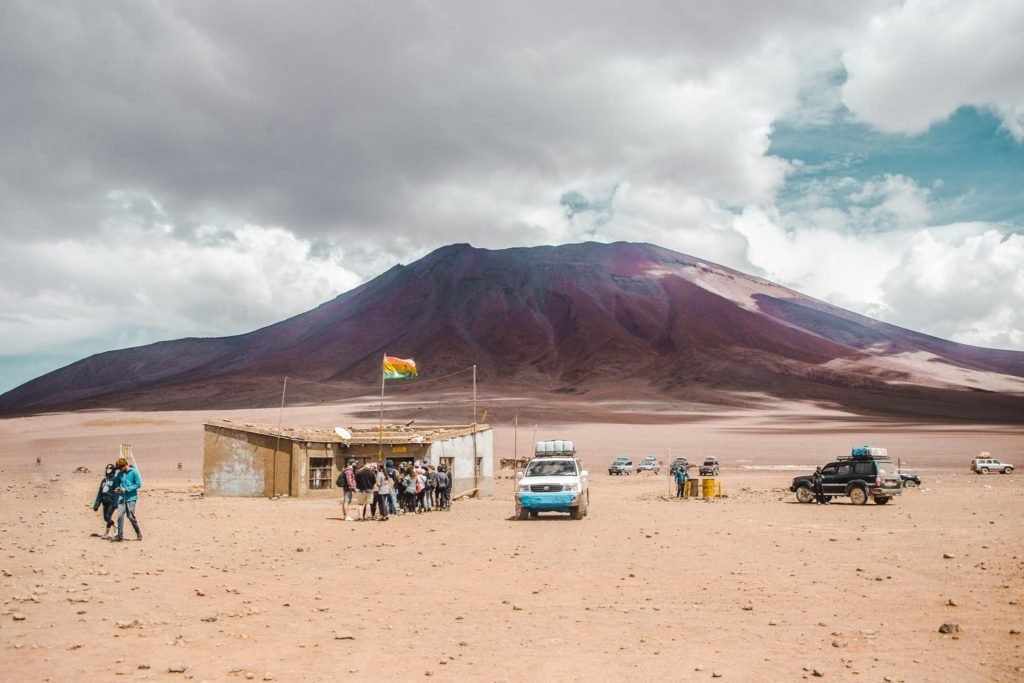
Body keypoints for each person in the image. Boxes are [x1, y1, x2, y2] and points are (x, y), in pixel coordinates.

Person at [111, 457, 142, 542]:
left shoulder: (134, 472)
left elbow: (139, 484)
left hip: (131, 498)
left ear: (125, 465)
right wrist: (117, 488)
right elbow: (117, 483)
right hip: (121, 498)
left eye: (121, 468)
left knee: (130, 516)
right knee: (120, 515)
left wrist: (127, 489)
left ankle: (138, 532)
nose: (120, 470)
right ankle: (119, 536)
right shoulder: (120, 474)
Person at [92, 463, 120, 537]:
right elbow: (100, 493)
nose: (108, 469)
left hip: (112, 501)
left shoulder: (115, 479)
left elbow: (117, 491)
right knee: (106, 518)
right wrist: (96, 504)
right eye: (107, 468)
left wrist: (116, 502)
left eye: (110, 468)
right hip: (105, 502)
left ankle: (116, 528)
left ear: (113, 470)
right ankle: (107, 533)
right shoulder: (103, 481)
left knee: (108, 516)